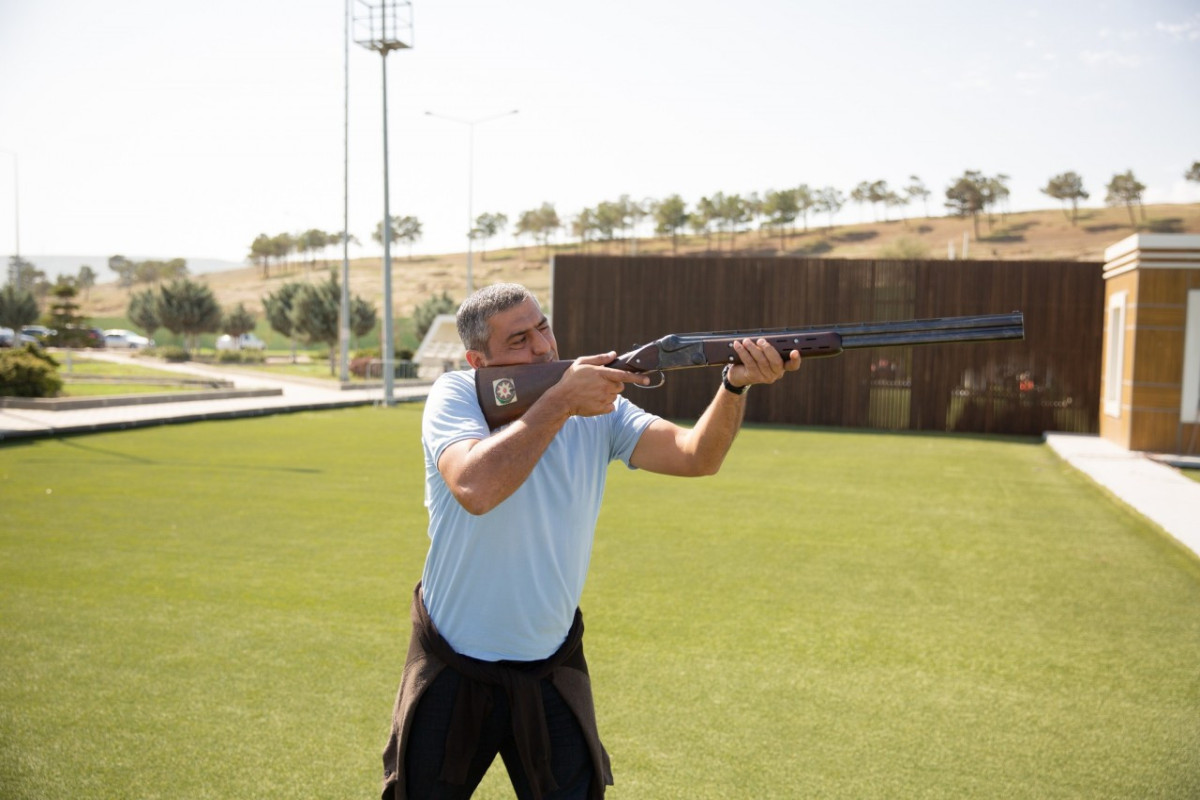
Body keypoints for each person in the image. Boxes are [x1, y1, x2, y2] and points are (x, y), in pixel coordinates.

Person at [382, 283, 801, 800]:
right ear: (478, 359)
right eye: (518, 340)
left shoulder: (600, 406)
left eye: (543, 327)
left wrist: (734, 385)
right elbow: (475, 486)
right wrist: (560, 403)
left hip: (551, 663)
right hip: (452, 660)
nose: (542, 347)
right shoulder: (458, 393)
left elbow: (696, 457)